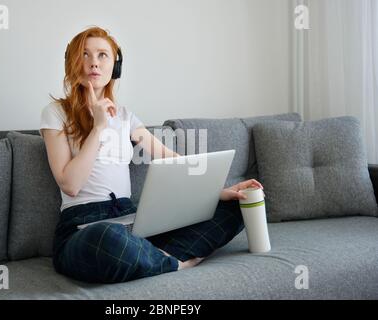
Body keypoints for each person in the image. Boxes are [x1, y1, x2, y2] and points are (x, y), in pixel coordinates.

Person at [40, 26, 264, 284]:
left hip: (132, 222)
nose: (93, 63)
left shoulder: (125, 117)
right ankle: (176, 261)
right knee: (108, 239)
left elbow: (171, 159)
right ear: (72, 62)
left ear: (116, 66)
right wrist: (99, 127)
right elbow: (70, 184)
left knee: (238, 205)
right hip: (83, 229)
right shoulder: (55, 113)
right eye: (85, 54)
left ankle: (153, 258)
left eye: (102, 55)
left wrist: (219, 192)